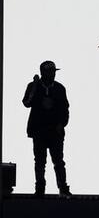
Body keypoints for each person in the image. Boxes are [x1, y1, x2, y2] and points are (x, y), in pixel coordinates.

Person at [22, 60, 71, 197]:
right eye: (50, 72)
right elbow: (27, 103)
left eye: (54, 72)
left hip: (55, 131)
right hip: (39, 131)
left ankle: (63, 188)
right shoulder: (33, 86)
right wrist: (35, 86)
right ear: (43, 73)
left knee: (59, 162)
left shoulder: (60, 88)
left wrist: (62, 124)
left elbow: (65, 109)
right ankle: (40, 189)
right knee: (39, 161)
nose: (53, 75)